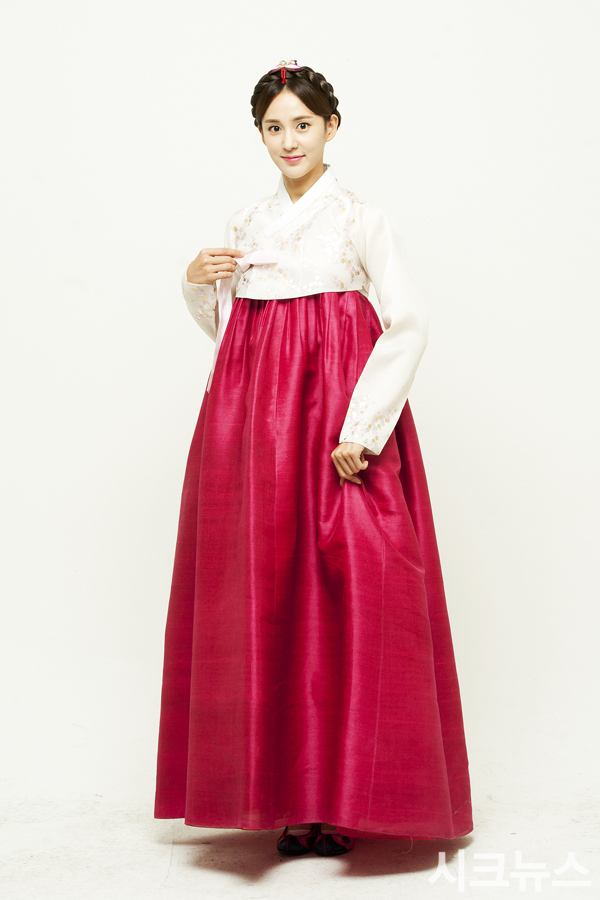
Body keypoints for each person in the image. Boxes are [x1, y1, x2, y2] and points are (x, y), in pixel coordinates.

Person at [154, 60, 473, 858]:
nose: (288, 141)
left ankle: (350, 797)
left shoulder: (360, 219)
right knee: (266, 595)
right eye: (273, 128)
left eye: (302, 124)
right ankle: (285, 799)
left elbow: (408, 321)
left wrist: (363, 427)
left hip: (338, 423)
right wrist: (195, 283)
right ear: (259, 135)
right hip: (255, 431)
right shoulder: (245, 223)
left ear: (332, 127)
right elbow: (236, 333)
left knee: (354, 588)